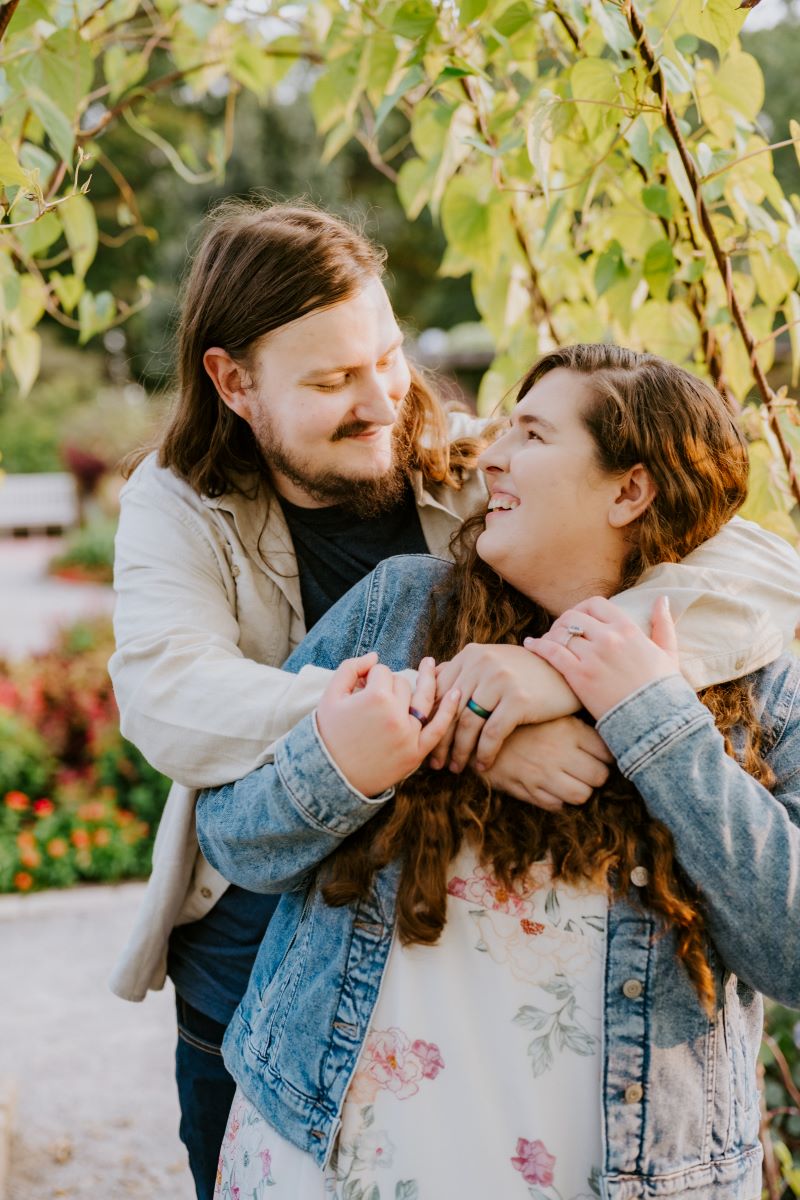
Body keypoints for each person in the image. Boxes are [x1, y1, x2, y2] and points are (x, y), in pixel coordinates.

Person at [108, 200, 800, 1198]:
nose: (384, 398)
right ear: (234, 384)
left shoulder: (477, 464)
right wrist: (448, 725)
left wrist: (568, 677)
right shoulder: (180, 508)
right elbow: (171, 702)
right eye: (331, 380)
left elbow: (756, 561)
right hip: (260, 984)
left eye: (387, 357)